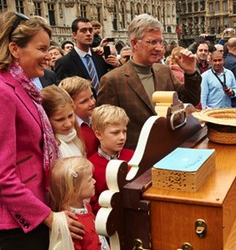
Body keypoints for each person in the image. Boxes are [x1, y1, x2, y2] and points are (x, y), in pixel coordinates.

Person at [0, 11, 84, 249]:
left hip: (32, 206)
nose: (48, 57)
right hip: (15, 220)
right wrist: (46, 216)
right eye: (41, 49)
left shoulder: (21, 87)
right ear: (15, 49)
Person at [96, 13, 201, 150]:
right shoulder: (112, 80)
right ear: (134, 44)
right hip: (136, 158)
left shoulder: (164, 72)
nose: (159, 48)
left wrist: (190, 73)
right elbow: (105, 126)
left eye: (160, 42)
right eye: (152, 42)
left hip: (170, 149)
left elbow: (190, 99)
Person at [49, 157, 109, 250]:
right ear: (74, 189)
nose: (94, 181)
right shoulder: (72, 222)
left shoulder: (86, 206)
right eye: (89, 180)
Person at [88, 104, 134, 214]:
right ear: (98, 134)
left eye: (124, 131)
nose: (122, 137)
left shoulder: (132, 156)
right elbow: (93, 201)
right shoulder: (90, 165)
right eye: (115, 133)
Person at [55, 17, 112, 93]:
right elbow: (62, 92)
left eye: (90, 30)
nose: (88, 34)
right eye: (83, 31)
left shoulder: (99, 57)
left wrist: (115, 65)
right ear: (74, 35)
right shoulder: (64, 62)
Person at [59, 76, 99, 158]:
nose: (92, 102)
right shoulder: (70, 131)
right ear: (70, 105)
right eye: (84, 101)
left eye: (91, 97)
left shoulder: (98, 119)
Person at [41, 85, 85, 158]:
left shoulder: (75, 136)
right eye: (60, 119)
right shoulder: (52, 151)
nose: (68, 124)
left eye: (70, 116)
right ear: (46, 119)